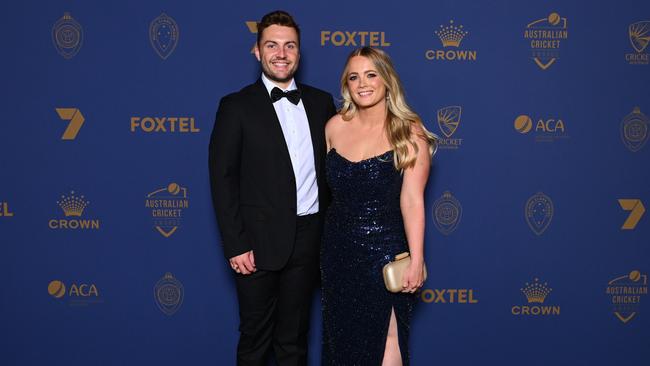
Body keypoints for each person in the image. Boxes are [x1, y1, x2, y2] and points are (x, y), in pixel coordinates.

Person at [208, 10, 336, 366]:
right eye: (272, 45)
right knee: (255, 340)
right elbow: (222, 179)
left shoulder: (322, 103)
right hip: (257, 244)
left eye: (289, 45)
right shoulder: (235, 107)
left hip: (309, 238)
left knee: (294, 340)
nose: (281, 53)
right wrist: (236, 244)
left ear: (299, 52)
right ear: (257, 51)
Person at [321, 47, 437, 365]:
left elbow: (412, 201)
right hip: (338, 253)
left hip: (384, 252)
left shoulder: (408, 132)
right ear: (346, 84)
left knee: (388, 339)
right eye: (354, 77)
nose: (363, 84)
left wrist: (416, 259)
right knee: (341, 342)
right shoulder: (333, 128)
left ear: (387, 80)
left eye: (371, 74)